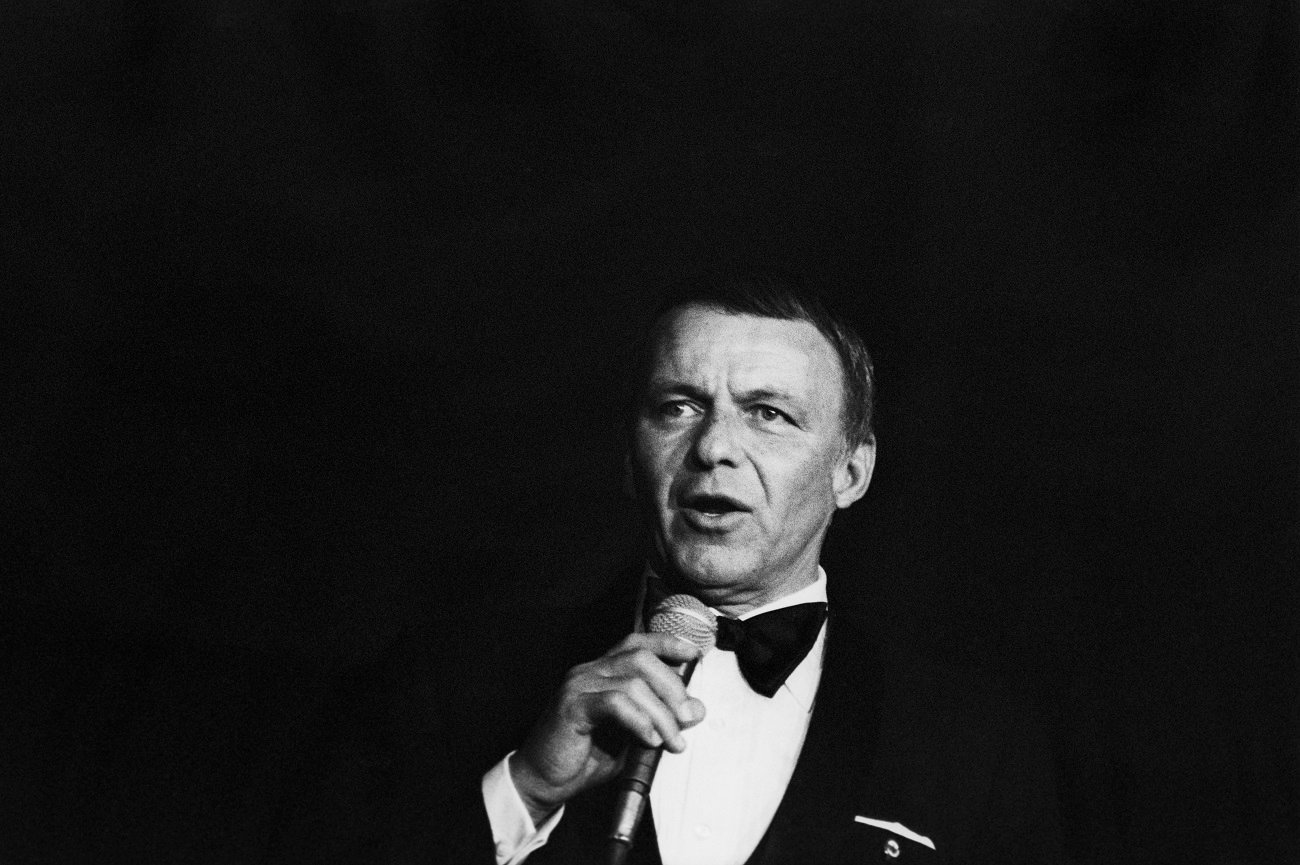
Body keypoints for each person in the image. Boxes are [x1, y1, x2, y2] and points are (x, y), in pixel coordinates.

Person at [419, 269, 1064, 865]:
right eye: (679, 406)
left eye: (769, 414)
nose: (714, 447)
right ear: (628, 452)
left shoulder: (975, 747)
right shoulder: (467, 679)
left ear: (852, 471)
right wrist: (526, 791)